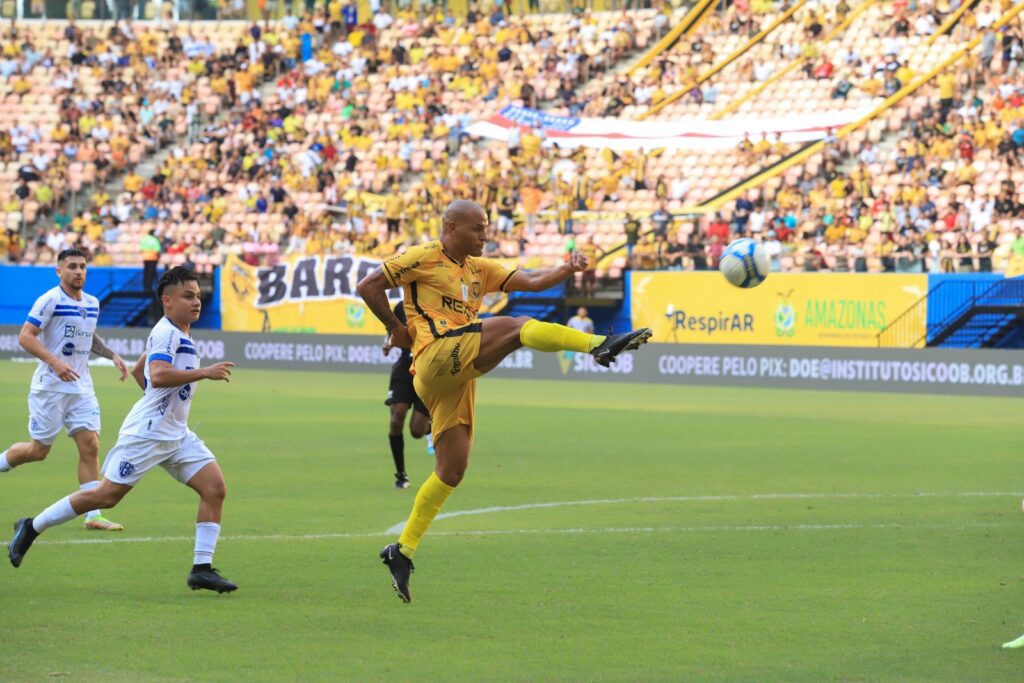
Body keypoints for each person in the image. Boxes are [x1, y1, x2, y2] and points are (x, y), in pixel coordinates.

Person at [356, 200, 652, 603]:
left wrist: (567, 268)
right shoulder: (422, 257)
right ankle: (599, 344)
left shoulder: (481, 269)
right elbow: (368, 286)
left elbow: (531, 282)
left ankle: (402, 550)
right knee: (516, 327)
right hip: (435, 356)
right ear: (450, 227)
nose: (484, 234)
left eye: (486, 227)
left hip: (452, 377)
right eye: (477, 228)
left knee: (452, 469)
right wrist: (396, 328)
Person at [8, 267, 240, 594]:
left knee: (214, 488)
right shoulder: (167, 333)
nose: (196, 302)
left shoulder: (179, 331)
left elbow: (138, 370)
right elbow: (157, 374)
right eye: (188, 296)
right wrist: (203, 373)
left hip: (174, 433)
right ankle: (31, 527)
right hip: (146, 435)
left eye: (198, 296)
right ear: (167, 301)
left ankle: (201, 569)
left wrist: (158, 403)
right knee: (106, 496)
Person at [0, 248, 128, 531]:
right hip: (50, 388)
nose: (79, 271)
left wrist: (111, 355)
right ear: (59, 271)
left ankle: (93, 515)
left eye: (83, 266)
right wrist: (55, 362)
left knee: (90, 445)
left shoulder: (92, 302)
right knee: (38, 451)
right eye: (72, 266)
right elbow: (25, 337)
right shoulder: (49, 300)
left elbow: (87, 334)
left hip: (81, 387)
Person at [383, 302, 434, 490]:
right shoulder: (400, 307)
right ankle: (401, 475)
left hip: (426, 372)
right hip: (404, 369)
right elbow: (391, 329)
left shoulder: (434, 302)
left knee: (416, 431)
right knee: (396, 419)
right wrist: (388, 344)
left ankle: (430, 429)